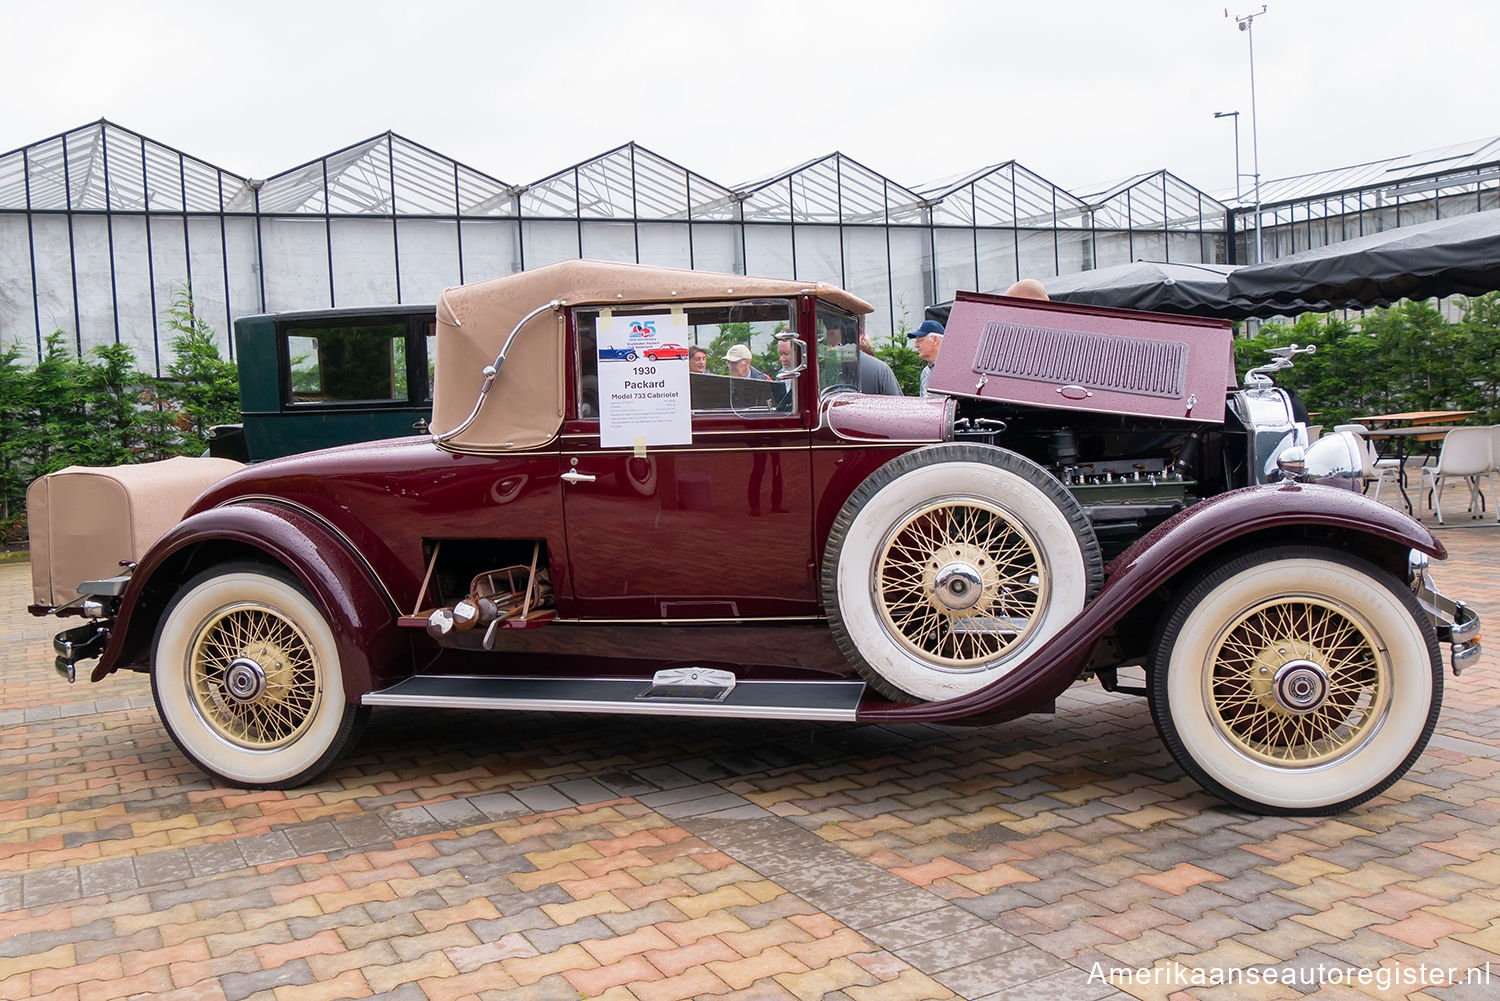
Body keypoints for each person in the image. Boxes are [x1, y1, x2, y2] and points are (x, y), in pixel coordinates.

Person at [910, 319, 944, 396]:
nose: (916, 346)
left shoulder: (952, 371)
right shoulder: (925, 372)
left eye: (919, 341)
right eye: (916, 341)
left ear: (935, 340)